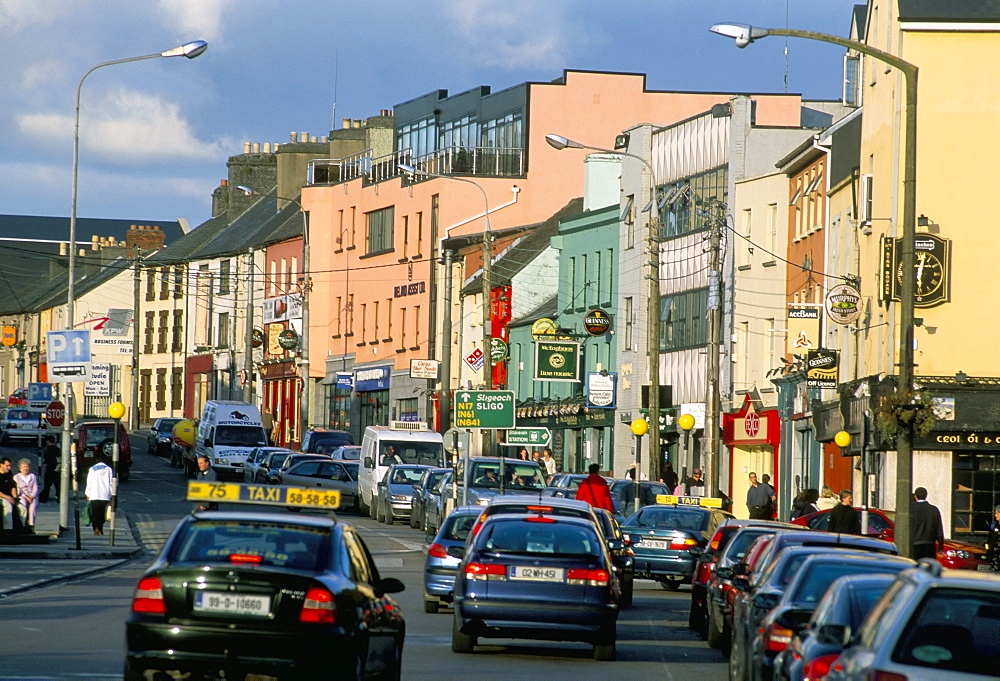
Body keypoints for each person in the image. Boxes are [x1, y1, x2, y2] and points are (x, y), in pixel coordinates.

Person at [911, 486, 945, 561]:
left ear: (915, 496)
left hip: (914, 545)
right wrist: (940, 547)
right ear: (926, 495)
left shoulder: (911, 509)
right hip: (930, 544)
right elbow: (939, 530)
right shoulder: (934, 510)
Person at [85, 454, 113, 536]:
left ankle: (95, 528)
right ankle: (100, 528)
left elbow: (89, 482)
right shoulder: (109, 469)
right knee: (101, 512)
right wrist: (111, 494)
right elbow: (111, 483)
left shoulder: (92, 469)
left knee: (94, 512)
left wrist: (88, 493)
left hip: (94, 494)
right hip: (105, 495)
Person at [14, 458, 39, 532]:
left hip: (32, 496)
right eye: (24, 467)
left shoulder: (33, 476)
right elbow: (17, 489)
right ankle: (23, 523)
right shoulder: (16, 477)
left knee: (33, 507)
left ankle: (31, 525)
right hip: (22, 496)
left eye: (27, 467)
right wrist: (26, 497)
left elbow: (36, 487)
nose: (26, 468)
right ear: (20, 468)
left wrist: (32, 496)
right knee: (23, 504)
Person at [39, 435, 60, 503]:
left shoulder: (48, 450)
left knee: (47, 486)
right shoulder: (58, 449)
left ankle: (44, 498)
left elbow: (45, 461)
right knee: (58, 486)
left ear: (48, 441)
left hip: (50, 471)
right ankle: (59, 498)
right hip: (58, 470)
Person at [0, 457, 18, 533]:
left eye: (10, 466)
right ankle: (8, 529)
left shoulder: (9, 473)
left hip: (9, 497)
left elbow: (13, 486)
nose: (9, 468)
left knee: (22, 507)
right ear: (1, 465)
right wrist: (8, 497)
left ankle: (22, 528)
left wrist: (15, 497)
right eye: (7, 466)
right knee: (8, 505)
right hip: (2, 496)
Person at [986, 505, 1000, 572]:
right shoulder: (994, 525)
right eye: (995, 513)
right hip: (994, 554)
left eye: (997, 513)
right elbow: (990, 539)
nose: (995, 515)